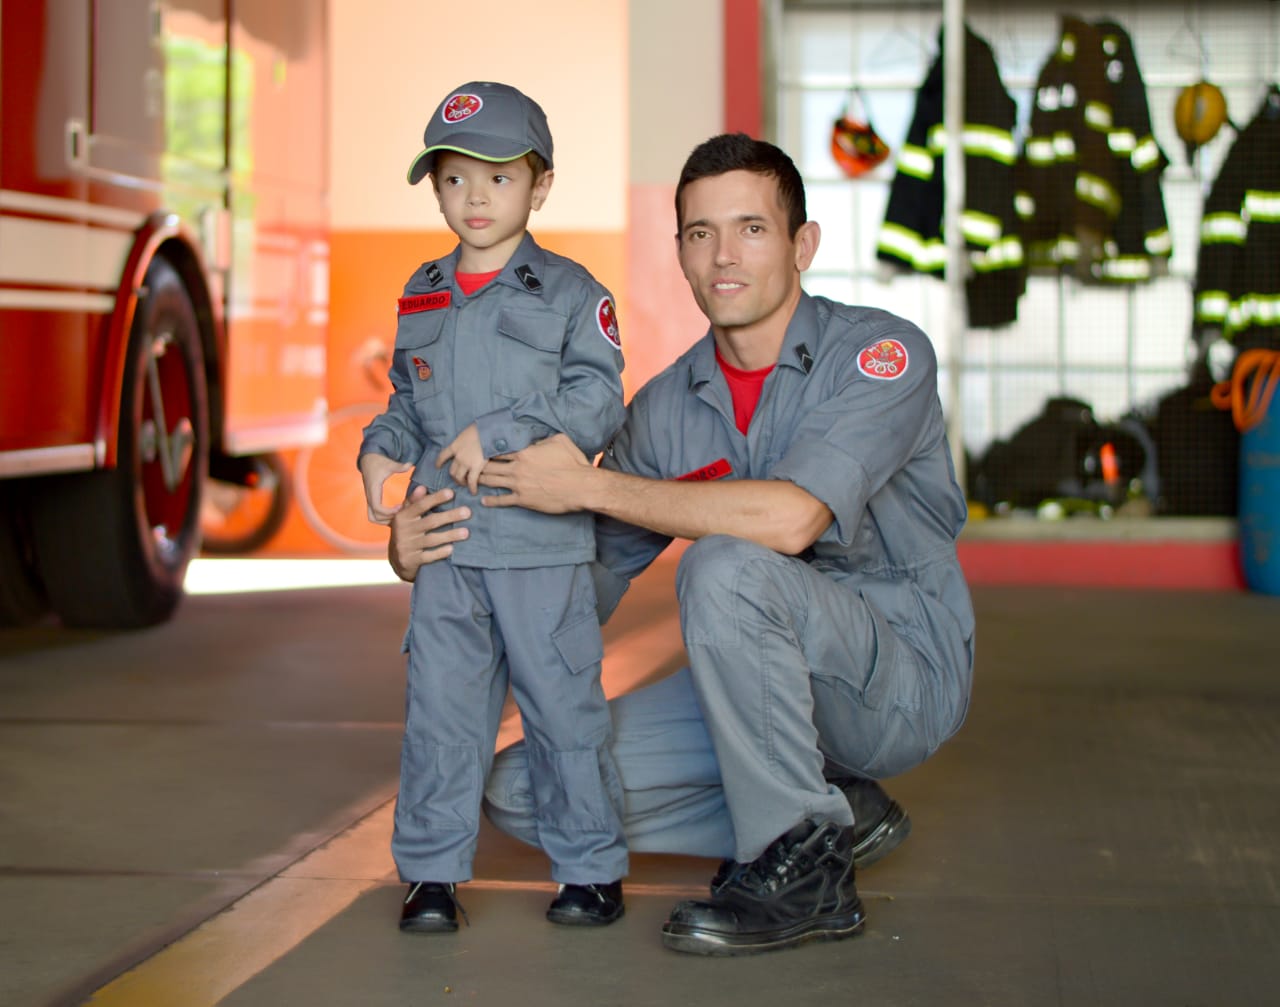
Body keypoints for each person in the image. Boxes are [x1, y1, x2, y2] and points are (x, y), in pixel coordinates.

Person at [386, 132, 975, 956]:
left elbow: (792, 520)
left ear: (803, 243)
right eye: (701, 233)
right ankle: (827, 813)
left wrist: (589, 482)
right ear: (681, 253)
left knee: (728, 564)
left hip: (897, 680)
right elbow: (574, 581)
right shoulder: (667, 408)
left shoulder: (880, 355)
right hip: (768, 697)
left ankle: (800, 869)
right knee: (527, 789)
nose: (724, 256)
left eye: (752, 229)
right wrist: (425, 552)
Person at [357, 81, 629, 935]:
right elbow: (407, 394)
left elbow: (598, 399)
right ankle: (431, 874)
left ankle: (590, 869)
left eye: (499, 178)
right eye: (453, 179)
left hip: (540, 553)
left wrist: (501, 429)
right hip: (445, 551)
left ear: (539, 187)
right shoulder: (423, 290)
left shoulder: (570, 291)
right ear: (434, 187)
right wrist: (379, 444)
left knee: (564, 714)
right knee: (441, 718)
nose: (474, 198)